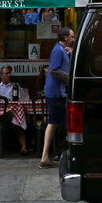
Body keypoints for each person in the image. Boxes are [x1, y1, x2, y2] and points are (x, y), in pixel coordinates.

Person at [39, 26, 75, 169]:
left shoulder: (61, 50)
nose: (73, 39)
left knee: (54, 123)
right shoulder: (58, 50)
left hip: (56, 93)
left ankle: (46, 157)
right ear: (65, 38)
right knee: (64, 123)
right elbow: (53, 70)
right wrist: (70, 79)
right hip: (56, 93)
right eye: (72, 37)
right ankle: (60, 155)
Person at [0, 65, 30, 154]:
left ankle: (24, 147)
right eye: (6, 73)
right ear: (1, 76)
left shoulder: (15, 85)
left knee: (18, 121)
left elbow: (20, 97)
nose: (8, 75)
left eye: (9, 73)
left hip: (13, 113)